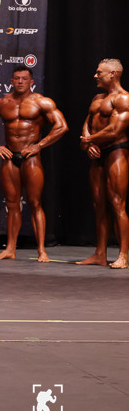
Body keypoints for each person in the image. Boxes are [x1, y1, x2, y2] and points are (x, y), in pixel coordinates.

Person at [0, 65, 68, 262]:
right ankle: (10, 249)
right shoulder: (1, 103)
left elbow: (62, 127)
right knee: (12, 204)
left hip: (31, 158)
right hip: (10, 158)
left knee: (35, 203)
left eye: (24, 79)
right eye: (16, 78)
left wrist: (39, 145)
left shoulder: (41, 102)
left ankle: (42, 251)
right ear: (11, 81)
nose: (20, 81)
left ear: (31, 82)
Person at [78, 58, 129, 269]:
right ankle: (100, 253)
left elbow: (115, 130)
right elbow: (87, 123)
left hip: (116, 151)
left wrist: (89, 140)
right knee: (98, 204)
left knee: (117, 203)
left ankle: (123, 255)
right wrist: (88, 143)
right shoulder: (98, 98)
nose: (95, 76)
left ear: (112, 74)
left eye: (99, 72)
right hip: (97, 152)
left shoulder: (124, 98)